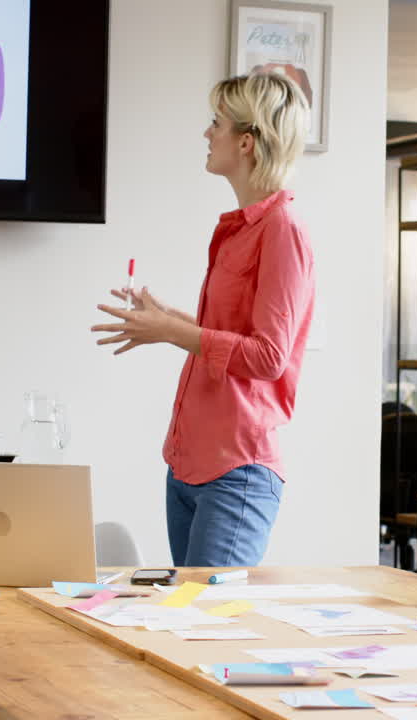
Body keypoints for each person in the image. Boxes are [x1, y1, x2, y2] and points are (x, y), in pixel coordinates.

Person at [91, 72, 314, 566]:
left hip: (236, 471)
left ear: (248, 142)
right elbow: (234, 334)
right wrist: (170, 320)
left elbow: (269, 357)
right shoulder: (238, 230)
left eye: (217, 123)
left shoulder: (282, 230)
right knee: (184, 627)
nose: (207, 133)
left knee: (207, 630)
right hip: (187, 465)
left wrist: (174, 332)